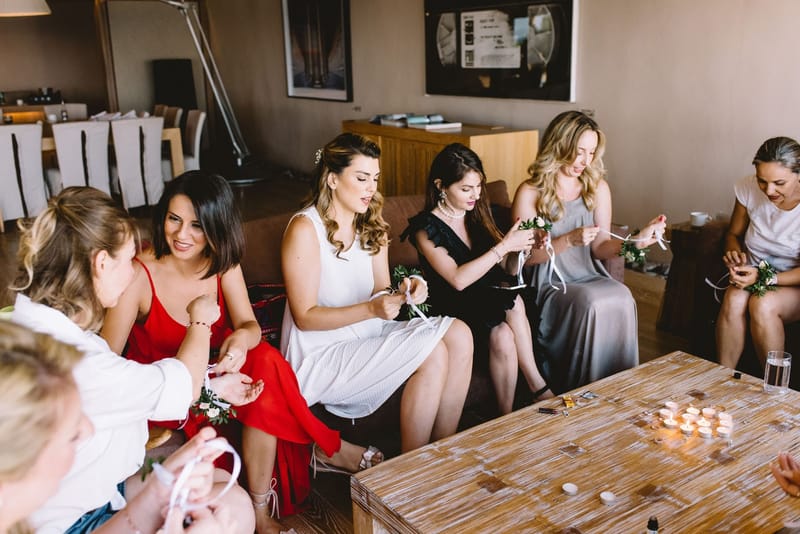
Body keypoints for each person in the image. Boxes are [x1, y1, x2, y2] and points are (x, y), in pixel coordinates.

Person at [101, 171, 382, 534]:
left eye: (197, 225)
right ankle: (330, 448)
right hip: (169, 392)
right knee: (261, 372)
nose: (181, 235)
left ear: (218, 228)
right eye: (174, 219)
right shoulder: (140, 275)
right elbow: (106, 363)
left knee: (262, 359)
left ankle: (261, 510)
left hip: (219, 375)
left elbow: (248, 325)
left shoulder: (221, 263)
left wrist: (238, 343)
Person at [8, 187, 252, 533]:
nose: (132, 270)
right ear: (102, 263)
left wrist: (211, 385)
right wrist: (199, 321)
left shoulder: (27, 322)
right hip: (73, 520)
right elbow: (181, 385)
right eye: (128, 259)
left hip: (101, 487)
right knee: (231, 508)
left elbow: (121, 391)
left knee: (220, 479)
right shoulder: (79, 363)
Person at [280, 133, 473, 452]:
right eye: (361, 178)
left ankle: (442, 451)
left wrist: (407, 289)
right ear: (332, 179)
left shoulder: (372, 225)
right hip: (320, 354)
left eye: (375, 178)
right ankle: (410, 466)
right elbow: (305, 317)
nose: (371, 187)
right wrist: (372, 310)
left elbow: (380, 290)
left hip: (366, 335)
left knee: (461, 333)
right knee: (434, 351)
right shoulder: (305, 229)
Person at [511, 110, 666, 393]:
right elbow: (527, 259)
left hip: (588, 273)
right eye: (579, 151)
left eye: (592, 152)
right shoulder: (530, 192)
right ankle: (583, 391)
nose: (586, 161)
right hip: (550, 283)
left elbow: (600, 248)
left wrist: (637, 242)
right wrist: (567, 240)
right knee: (592, 303)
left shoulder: (597, 188)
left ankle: (618, 389)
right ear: (559, 146)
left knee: (621, 295)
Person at [402, 143, 554, 414]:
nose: (475, 195)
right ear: (441, 185)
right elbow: (457, 280)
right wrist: (504, 246)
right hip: (453, 309)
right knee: (513, 303)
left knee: (505, 335)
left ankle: (504, 416)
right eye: (466, 189)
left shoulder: (482, 213)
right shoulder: (425, 229)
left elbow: (505, 271)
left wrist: (523, 248)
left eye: (479, 186)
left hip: (487, 303)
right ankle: (539, 386)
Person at [716, 137, 800, 370]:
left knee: (763, 303)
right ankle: (721, 376)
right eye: (762, 181)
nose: (769, 190)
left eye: (779, 183)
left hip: (792, 282)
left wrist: (764, 278)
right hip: (754, 274)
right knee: (734, 299)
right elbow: (733, 234)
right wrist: (733, 253)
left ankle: (774, 388)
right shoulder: (747, 187)